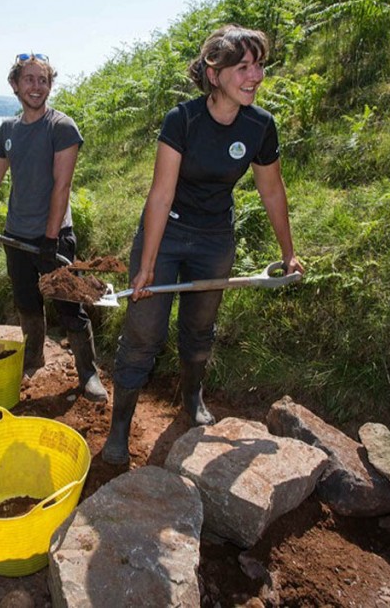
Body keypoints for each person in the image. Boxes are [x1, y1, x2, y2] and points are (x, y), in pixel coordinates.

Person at [102, 25, 305, 465]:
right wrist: (147, 265)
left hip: (215, 238)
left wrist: (288, 252)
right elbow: (160, 195)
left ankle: (191, 398)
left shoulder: (259, 126)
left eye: (259, 66)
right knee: (143, 331)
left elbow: (272, 191)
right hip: (168, 232)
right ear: (215, 75)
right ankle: (119, 428)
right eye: (243, 67)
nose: (255, 76)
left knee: (200, 327)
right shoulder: (184, 120)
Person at [0, 53, 107, 402]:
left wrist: (52, 237)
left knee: (69, 305)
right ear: (15, 85)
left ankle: (88, 373)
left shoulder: (61, 128)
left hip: (53, 237)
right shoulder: (8, 130)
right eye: (29, 79)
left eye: (43, 80)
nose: (37, 87)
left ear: (50, 85)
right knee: (26, 302)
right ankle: (34, 358)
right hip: (15, 235)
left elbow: (61, 186)